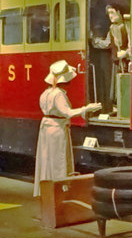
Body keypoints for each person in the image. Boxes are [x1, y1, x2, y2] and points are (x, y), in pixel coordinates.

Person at [34, 59, 100, 197]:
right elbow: (67, 112)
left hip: (46, 129)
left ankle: (46, 191)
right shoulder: (58, 94)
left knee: (47, 161)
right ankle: (59, 191)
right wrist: (86, 108)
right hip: (57, 130)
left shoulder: (46, 93)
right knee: (58, 161)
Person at [91, 4, 132, 114]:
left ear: (119, 12)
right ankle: (117, 108)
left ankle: (125, 110)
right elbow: (108, 43)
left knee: (126, 86)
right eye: (109, 14)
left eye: (112, 12)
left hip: (127, 63)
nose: (110, 16)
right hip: (116, 62)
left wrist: (126, 53)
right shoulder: (112, 29)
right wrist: (94, 41)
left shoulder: (127, 26)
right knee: (116, 87)